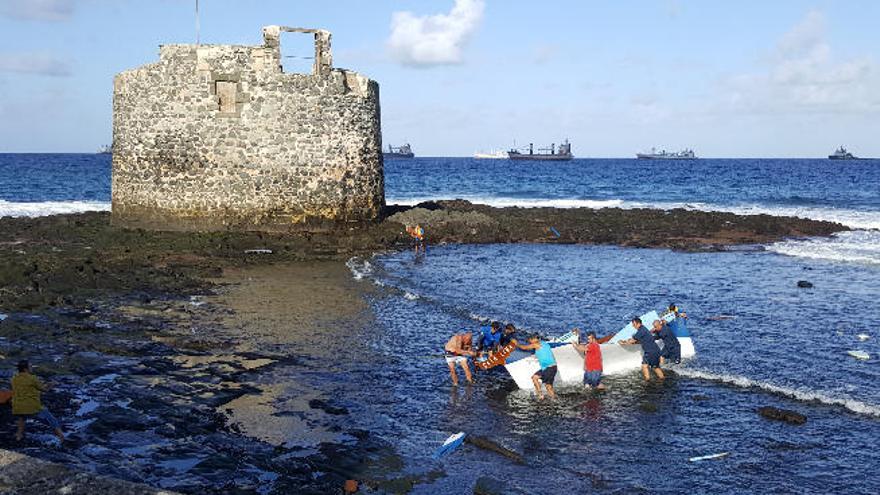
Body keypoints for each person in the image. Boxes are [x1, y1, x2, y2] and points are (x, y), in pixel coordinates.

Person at [11, 360, 64, 442]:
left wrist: (44, 386)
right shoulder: (32, 378)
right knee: (51, 419)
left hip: (17, 406)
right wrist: (52, 384)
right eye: (31, 366)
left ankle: (19, 436)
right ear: (25, 369)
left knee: (22, 418)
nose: (32, 368)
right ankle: (62, 438)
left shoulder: (14, 378)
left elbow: (26, 389)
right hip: (31, 406)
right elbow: (44, 389)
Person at [515, 335, 557, 400]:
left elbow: (524, 347)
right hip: (549, 368)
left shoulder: (536, 344)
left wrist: (516, 343)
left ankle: (547, 398)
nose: (530, 343)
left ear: (533, 339)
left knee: (546, 385)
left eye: (530, 342)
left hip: (549, 368)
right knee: (537, 379)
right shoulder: (544, 343)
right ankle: (545, 396)